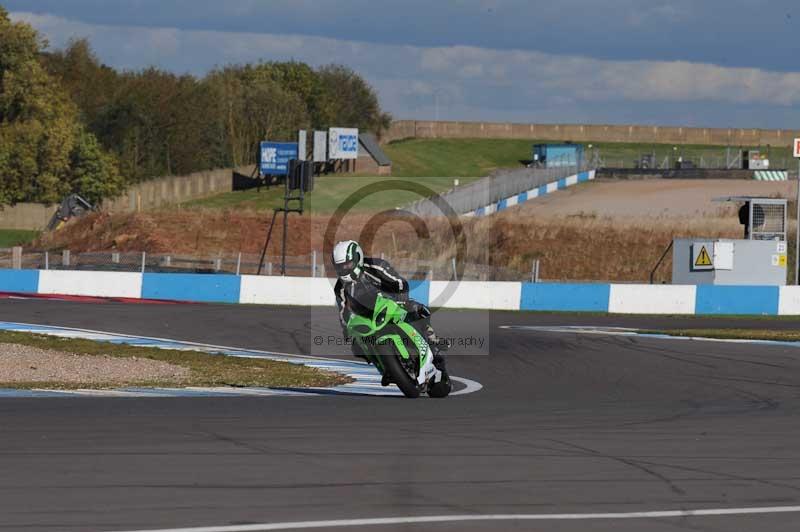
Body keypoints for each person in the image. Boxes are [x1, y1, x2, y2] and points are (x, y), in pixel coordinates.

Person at [331, 240, 448, 386]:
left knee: (417, 308)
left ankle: (431, 337)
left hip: (389, 302)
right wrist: (347, 331)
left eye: (347, 264)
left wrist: (401, 300)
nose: (344, 269)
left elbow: (399, 283)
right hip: (366, 317)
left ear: (357, 258)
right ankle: (385, 367)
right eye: (340, 266)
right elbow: (343, 312)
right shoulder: (340, 287)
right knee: (357, 346)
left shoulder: (375, 266)